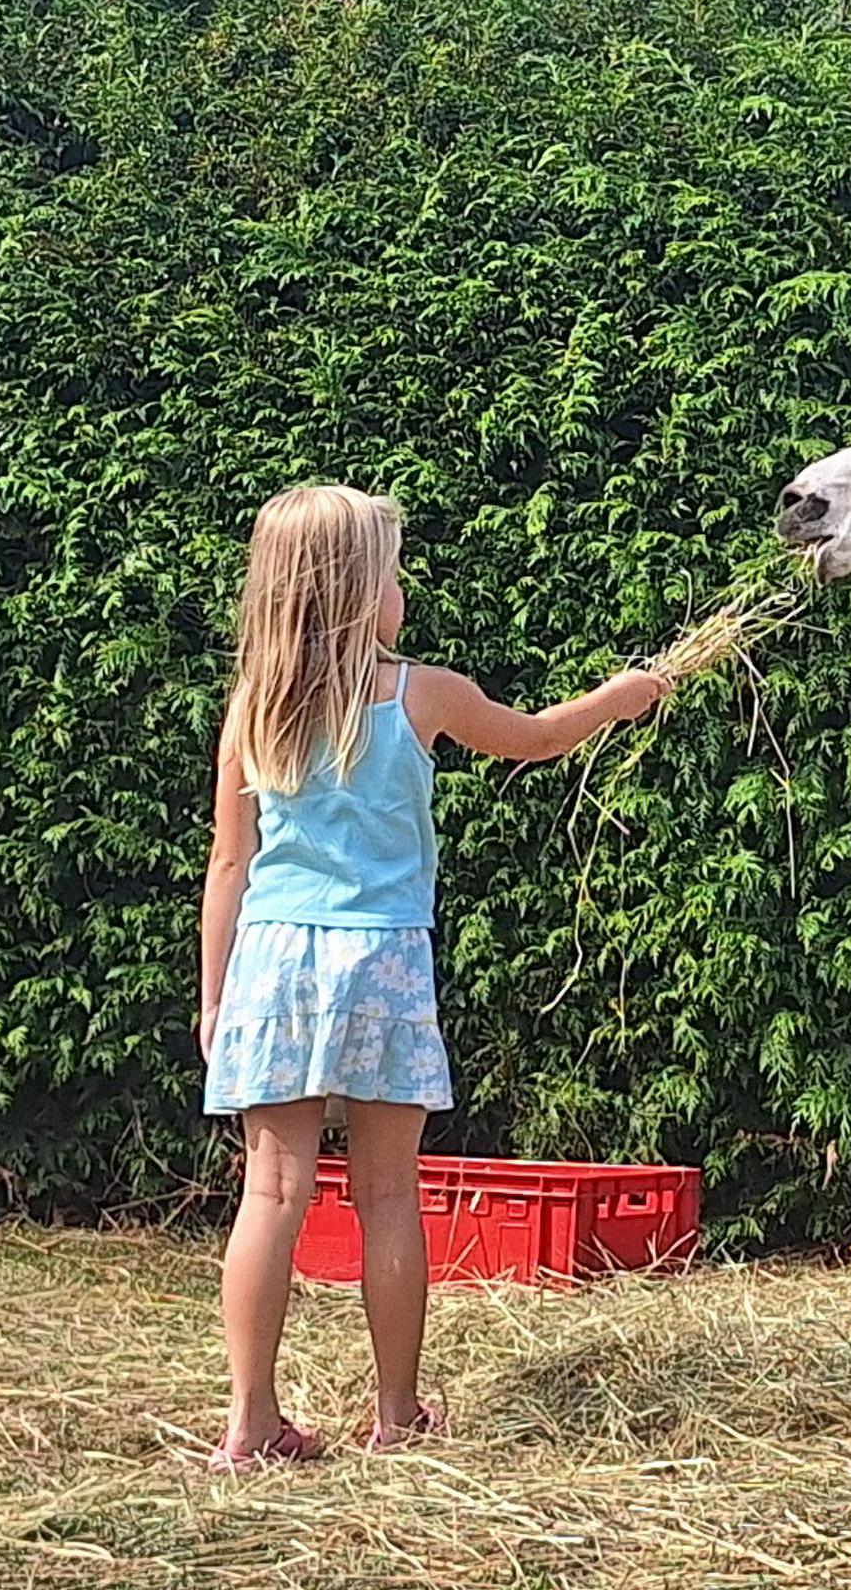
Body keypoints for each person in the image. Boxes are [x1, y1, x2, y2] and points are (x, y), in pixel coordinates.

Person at [197, 484, 666, 1468]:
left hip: (274, 959)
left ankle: (249, 1422)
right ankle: (398, 1411)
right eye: (393, 572)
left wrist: (213, 994)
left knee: (272, 1190)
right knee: (387, 1190)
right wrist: (619, 699)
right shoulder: (423, 692)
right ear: (360, 589)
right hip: (384, 961)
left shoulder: (253, 707)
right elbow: (535, 736)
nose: (402, 588)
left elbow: (229, 863)